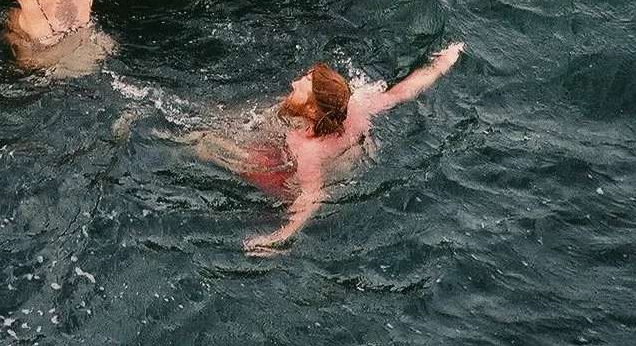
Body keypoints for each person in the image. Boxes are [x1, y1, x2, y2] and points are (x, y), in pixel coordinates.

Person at [179, 45, 465, 255]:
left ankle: (167, 134)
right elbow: (401, 92)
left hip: (293, 181)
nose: (293, 83)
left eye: (301, 86)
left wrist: (279, 237)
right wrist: (441, 65)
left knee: (204, 144)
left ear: (314, 109)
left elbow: (313, 196)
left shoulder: (308, 150)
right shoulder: (356, 105)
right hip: (348, 160)